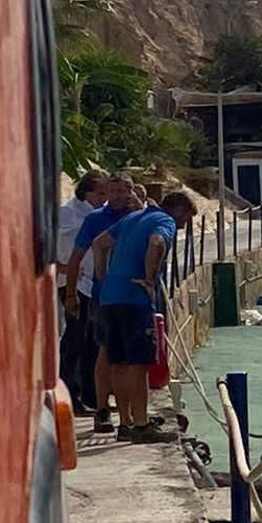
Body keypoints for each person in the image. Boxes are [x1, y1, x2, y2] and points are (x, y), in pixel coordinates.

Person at [91, 189, 194, 443]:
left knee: (119, 362)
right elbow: (157, 243)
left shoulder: (132, 217)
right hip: (134, 300)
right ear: (177, 210)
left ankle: (125, 423)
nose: (184, 225)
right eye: (185, 219)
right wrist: (150, 279)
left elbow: (99, 243)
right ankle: (141, 425)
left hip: (110, 297)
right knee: (139, 364)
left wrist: (104, 276)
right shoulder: (164, 221)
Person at [65, 170, 142, 432]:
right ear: (106, 193)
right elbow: (76, 256)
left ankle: (129, 415)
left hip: (136, 297)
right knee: (106, 353)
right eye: (113, 191)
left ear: (131, 192)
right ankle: (102, 409)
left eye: (123, 191)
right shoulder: (95, 219)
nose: (118, 196)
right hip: (103, 296)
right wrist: (71, 293)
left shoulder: (138, 217)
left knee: (133, 359)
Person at [56, 171, 107, 411]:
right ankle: (70, 393)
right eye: (100, 193)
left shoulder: (98, 214)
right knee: (74, 339)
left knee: (90, 341)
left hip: (90, 283)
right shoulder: (69, 212)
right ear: (86, 191)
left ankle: (91, 394)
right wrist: (65, 268)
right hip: (71, 282)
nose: (103, 198)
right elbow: (55, 243)